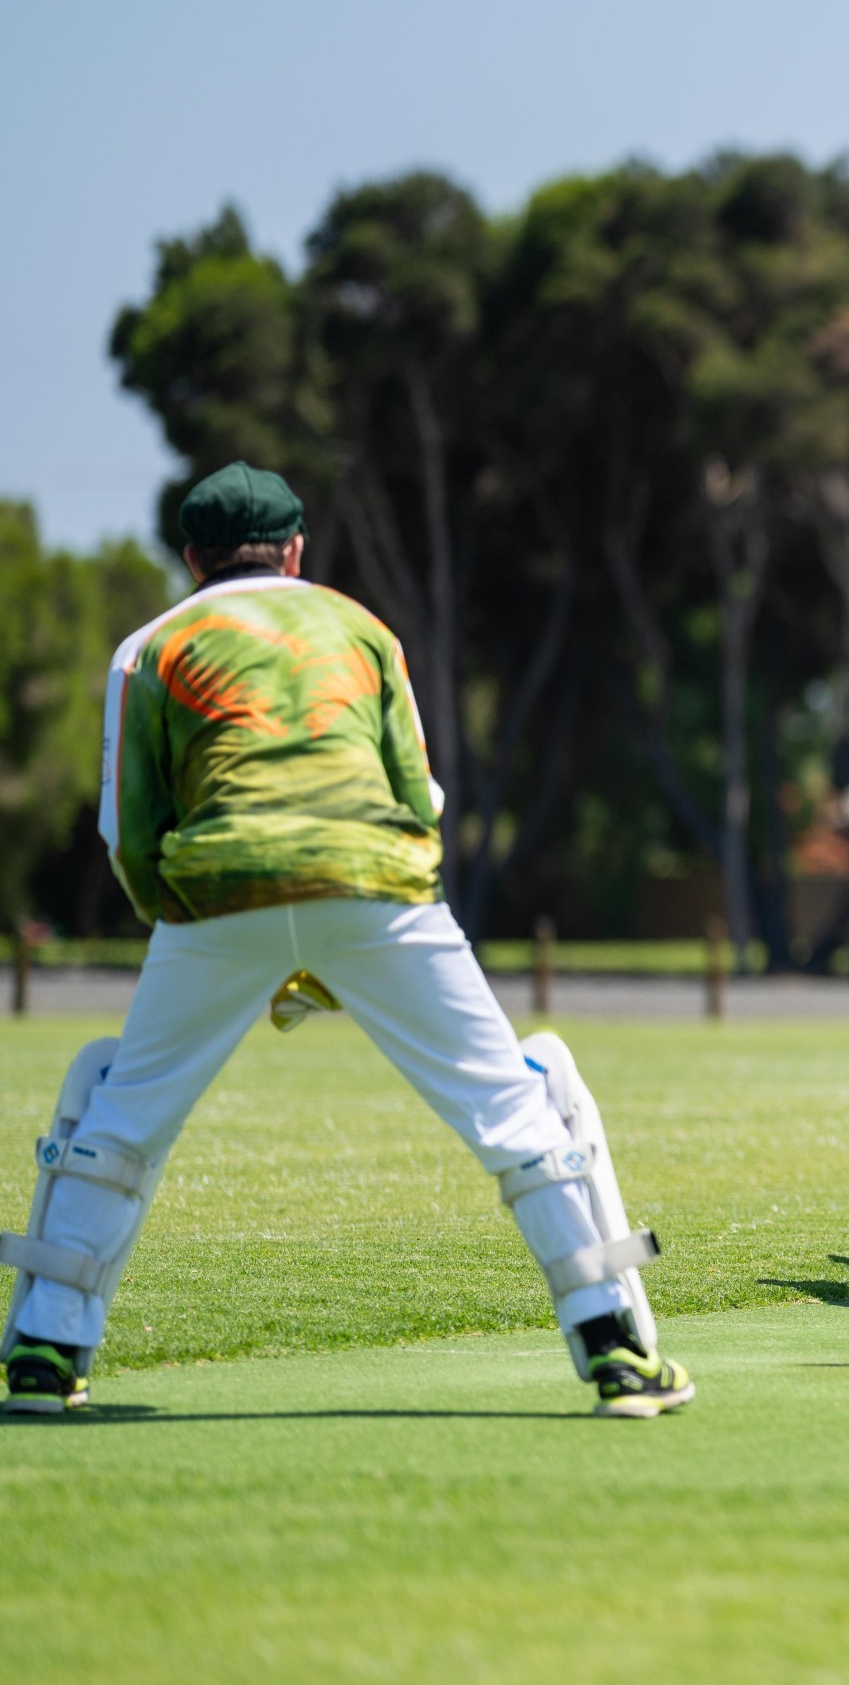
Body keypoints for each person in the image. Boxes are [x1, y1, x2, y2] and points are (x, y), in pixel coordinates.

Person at [0, 463, 693, 1417]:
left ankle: (45, 1353)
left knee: (120, 1116)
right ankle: (615, 1350)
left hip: (219, 888)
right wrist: (349, 949)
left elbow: (127, 831)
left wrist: (207, 939)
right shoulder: (364, 628)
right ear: (294, 551)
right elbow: (422, 799)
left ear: (192, 558)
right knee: (514, 1107)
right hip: (375, 882)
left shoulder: (151, 645)